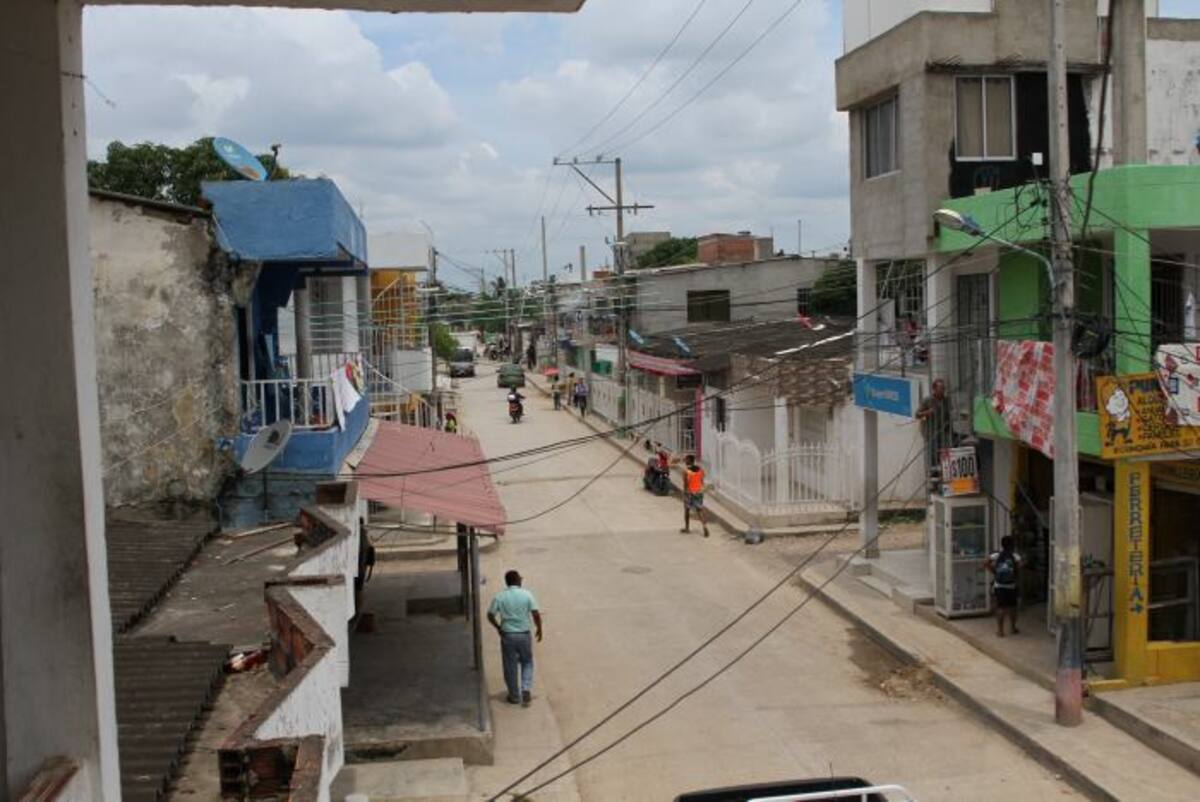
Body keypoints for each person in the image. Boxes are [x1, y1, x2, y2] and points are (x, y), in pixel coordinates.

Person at [487, 570, 543, 706]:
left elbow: (490, 614)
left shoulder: (500, 596)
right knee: (527, 662)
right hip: (524, 634)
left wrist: (498, 627)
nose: (521, 580)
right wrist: (539, 628)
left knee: (510, 665)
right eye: (520, 578)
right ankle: (526, 688)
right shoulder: (527, 594)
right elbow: (535, 613)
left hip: (507, 635)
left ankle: (514, 696)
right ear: (517, 580)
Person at [916, 378, 954, 473]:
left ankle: (945, 471)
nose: (943, 391)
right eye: (940, 389)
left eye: (944, 389)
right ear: (934, 389)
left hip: (943, 432)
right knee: (932, 454)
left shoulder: (946, 400)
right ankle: (932, 472)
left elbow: (950, 413)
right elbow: (917, 414)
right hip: (930, 433)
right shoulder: (927, 400)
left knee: (944, 453)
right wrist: (927, 412)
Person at [987, 536, 1023, 637]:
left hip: (999, 585)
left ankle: (1000, 631)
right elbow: (1020, 565)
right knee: (1013, 607)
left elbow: (985, 562)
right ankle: (1012, 627)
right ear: (1012, 545)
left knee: (1000, 607)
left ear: (1002, 544)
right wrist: (1014, 572)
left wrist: (994, 571)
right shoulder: (1015, 556)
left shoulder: (996, 555)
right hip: (1011, 585)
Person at [679, 455, 710, 537]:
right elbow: (702, 481)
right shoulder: (700, 470)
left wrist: (684, 492)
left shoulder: (686, 471)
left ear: (689, 461)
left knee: (687, 510)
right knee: (699, 510)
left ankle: (687, 528)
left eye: (686, 460)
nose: (685, 461)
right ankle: (704, 526)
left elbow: (685, 484)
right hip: (699, 492)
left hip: (689, 492)